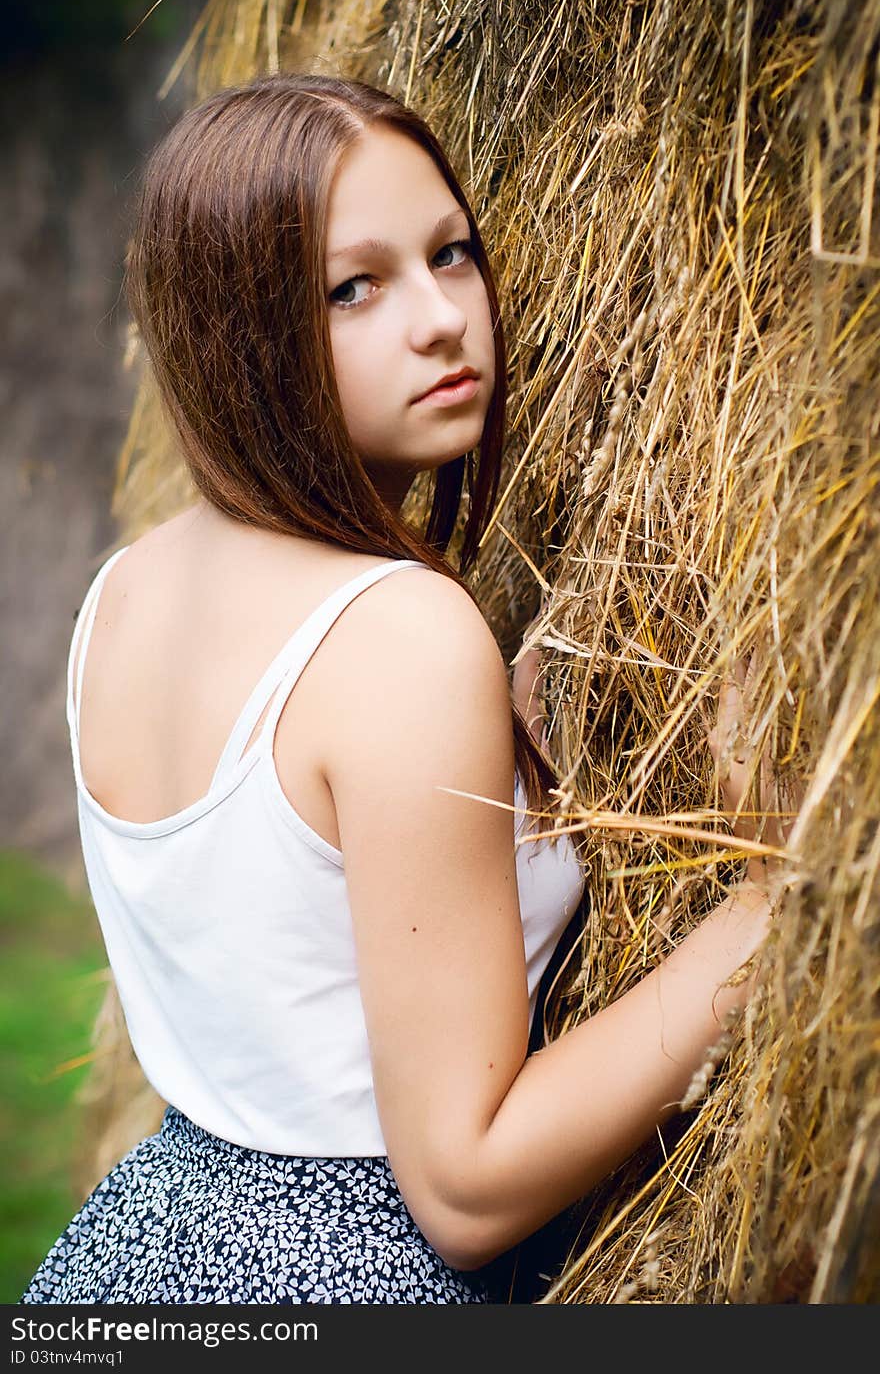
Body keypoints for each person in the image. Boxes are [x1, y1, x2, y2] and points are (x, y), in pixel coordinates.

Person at [20, 72, 790, 1305]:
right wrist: (773, 904)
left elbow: (310, 892)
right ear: (237, 332)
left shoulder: (124, 594)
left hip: (149, 1242)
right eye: (352, 287)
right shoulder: (398, 634)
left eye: (452, 254)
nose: (440, 319)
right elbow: (467, 1184)